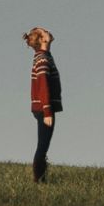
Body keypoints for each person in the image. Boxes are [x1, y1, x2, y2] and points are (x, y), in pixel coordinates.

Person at [24, 26, 61, 182]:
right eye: (45, 32)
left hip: (42, 106)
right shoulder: (43, 59)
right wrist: (47, 110)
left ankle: (41, 178)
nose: (49, 31)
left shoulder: (44, 56)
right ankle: (38, 179)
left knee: (43, 144)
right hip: (44, 107)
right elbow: (43, 84)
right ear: (41, 40)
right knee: (43, 145)